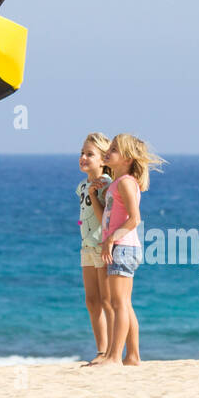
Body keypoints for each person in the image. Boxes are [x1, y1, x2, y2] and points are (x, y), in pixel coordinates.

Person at [99, 133, 165, 367]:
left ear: (127, 159)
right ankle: (132, 356)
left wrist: (110, 240)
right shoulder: (118, 183)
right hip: (122, 247)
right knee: (124, 303)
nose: (108, 151)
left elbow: (134, 219)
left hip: (123, 247)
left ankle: (114, 357)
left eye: (114, 149)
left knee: (119, 304)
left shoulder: (126, 182)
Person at [76, 133, 115, 365]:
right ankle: (101, 350)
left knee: (107, 300)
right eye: (82, 153)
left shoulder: (106, 184)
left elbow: (106, 219)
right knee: (91, 301)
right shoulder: (81, 186)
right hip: (87, 246)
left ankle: (111, 351)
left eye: (89, 154)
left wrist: (95, 193)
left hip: (103, 246)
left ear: (103, 160)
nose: (83, 157)